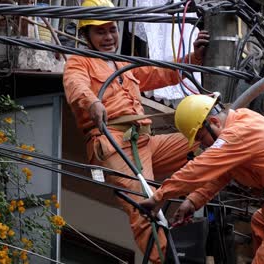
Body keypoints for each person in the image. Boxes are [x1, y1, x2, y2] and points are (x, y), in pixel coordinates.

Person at [62, 0, 209, 262]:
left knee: (205, 140)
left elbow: (160, 73)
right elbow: (75, 86)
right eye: (100, 31)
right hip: (113, 144)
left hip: (144, 142)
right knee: (143, 207)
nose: (109, 37)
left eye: (112, 30)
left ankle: (195, 202)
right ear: (86, 35)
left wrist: (193, 58)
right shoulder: (79, 61)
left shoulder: (122, 64)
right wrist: (93, 102)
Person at [139, 94, 264, 264]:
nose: (202, 144)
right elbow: (224, 172)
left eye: (201, 137)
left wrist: (160, 196)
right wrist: (192, 201)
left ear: (214, 122)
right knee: (259, 223)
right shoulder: (241, 119)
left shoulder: (238, 133)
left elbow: (200, 168)